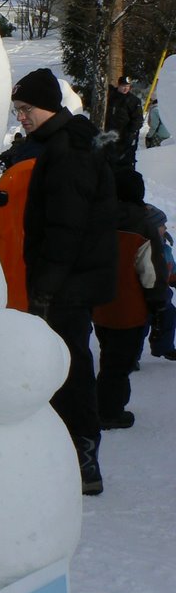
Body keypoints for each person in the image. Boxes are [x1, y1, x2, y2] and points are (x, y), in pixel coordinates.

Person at [12, 67, 117, 495]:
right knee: (64, 365)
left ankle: (83, 458)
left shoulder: (69, 151)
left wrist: (46, 287)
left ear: (49, 106)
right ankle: (68, 453)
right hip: (72, 278)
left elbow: (65, 228)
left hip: (70, 282)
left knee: (69, 370)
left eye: (26, 109)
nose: (20, 117)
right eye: (17, 110)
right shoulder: (60, 143)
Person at [93, 169, 171, 430]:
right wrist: (159, 302)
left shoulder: (98, 219)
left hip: (100, 304)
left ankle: (104, 404)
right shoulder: (142, 225)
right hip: (130, 308)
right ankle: (109, 411)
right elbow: (150, 274)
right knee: (120, 364)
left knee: (109, 357)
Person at [105, 75, 143, 168]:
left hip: (124, 137)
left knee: (124, 161)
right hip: (109, 134)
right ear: (118, 85)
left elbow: (137, 120)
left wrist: (130, 134)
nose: (126, 88)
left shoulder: (133, 101)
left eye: (128, 86)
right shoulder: (110, 96)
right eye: (123, 86)